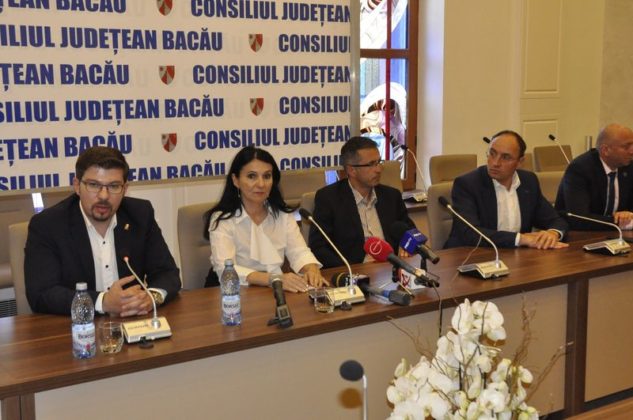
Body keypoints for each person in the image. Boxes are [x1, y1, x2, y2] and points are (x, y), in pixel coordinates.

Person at [25, 146, 181, 316]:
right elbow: (42, 294)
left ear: (125, 188)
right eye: (94, 185)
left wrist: (151, 298)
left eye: (114, 186)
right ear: (77, 186)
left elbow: (167, 273)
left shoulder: (140, 214)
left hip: (132, 321)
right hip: (76, 327)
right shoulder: (48, 225)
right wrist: (103, 302)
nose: (104, 196)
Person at [205, 146, 326, 293]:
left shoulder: (282, 215)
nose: (261, 184)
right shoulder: (223, 219)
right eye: (252, 176)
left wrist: (311, 269)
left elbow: (299, 252)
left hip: (271, 291)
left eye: (267, 176)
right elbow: (226, 269)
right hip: (232, 294)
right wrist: (273, 279)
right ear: (235, 180)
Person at [444, 130, 568, 249]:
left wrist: (553, 233)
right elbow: (470, 233)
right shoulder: (468, 184)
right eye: (492, 153)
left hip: (516, 256)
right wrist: (521, 239)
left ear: (520, 162)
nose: (495, 163)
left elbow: (555, 220)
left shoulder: (528, 182)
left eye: (505, 157)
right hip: (470, 255)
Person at [309, 136, 415, 268]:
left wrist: (406, 245)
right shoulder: (329, 199)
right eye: (371, 164)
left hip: (391, 268)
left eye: (379, 162)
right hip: (355, 271)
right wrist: (350, 271)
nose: (379, 169)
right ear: (351, 170)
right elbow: (318, 247)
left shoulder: (391, 196)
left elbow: (411, 231)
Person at [555, 123, 633, 230]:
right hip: (580, 234)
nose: (632, 151)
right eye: (626, 147)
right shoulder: (579, 169)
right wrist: (619, 222)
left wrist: (629, 215)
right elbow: (579, 219)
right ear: (605, 150)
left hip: (618, 233)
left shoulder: (628, 166)